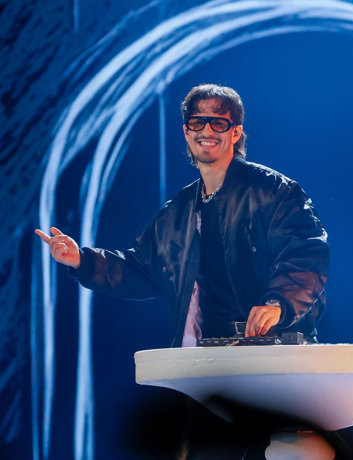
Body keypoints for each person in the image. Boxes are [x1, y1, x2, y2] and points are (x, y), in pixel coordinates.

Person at [36, 84, 331, 458]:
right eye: (197, 122)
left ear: (236, 132)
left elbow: (307, 252)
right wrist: (82, 260)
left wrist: (278, 303)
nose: (207, 131)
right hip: (206, 366)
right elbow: (142, 270)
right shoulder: (177, 211)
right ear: (186, 131)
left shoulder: (273, 191)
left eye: (218, 122)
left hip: (270, 360)